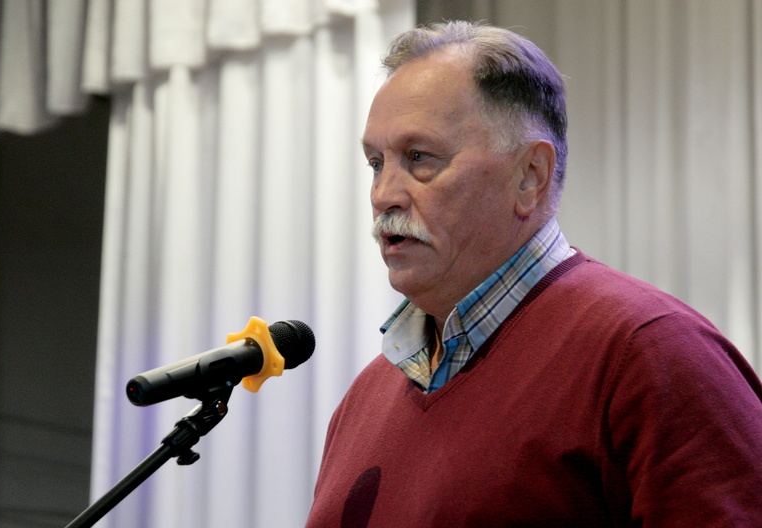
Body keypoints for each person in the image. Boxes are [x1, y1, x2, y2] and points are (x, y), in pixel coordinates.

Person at [305, 21, 762, 527]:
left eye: (419, 158)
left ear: (530, 177)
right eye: (376, 162)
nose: (383, 194)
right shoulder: (365, 397)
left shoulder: (650, 352)